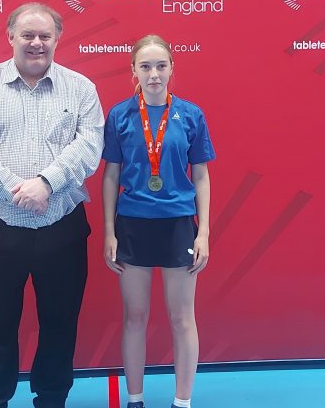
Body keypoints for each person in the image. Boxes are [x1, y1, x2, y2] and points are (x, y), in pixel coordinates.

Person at [0, 2, 104, 408]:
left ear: (57, 39)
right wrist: (18, 190)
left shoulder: (81, 89)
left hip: (62, 229)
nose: (36, 43)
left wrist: (47, 183)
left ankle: (52, 400)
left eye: (44, 35)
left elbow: (89, 146)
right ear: (10, 37)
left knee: (60, 325)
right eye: (27, 35)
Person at [101, 35, 215, 408]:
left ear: (171, 69)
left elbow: (201, 176)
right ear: (133, 70)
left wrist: (204, 232)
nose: (153, 74)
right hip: (133, 224)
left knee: (182, 317)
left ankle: (182, 402)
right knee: (135, 317)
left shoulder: (191, 114)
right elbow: (111, 176)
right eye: (145, 66)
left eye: (161, 66)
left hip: (178, 224)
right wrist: (109, 232)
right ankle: (135, 399)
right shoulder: (119, 115)